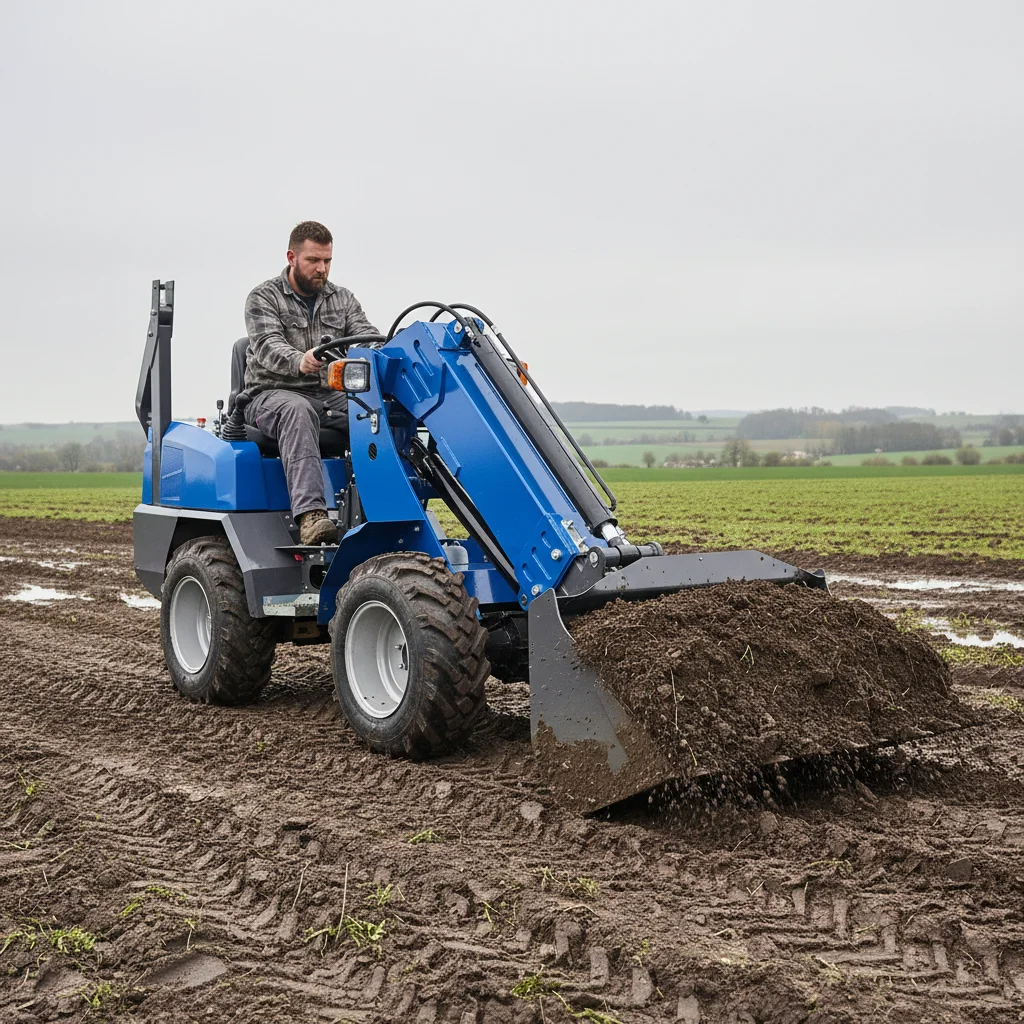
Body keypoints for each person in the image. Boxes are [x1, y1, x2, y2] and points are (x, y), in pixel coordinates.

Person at [243, 221, 379, 545]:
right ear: (292, 257)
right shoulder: (263, 297)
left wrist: (388, 352)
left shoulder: (342, 300)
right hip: (270, 395)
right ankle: (311, 517)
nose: (322, 269)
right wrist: (299, 360)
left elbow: (366, 338)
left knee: (375, 414)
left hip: (327, 394)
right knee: (298, 409)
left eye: (327, 261)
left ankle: (380, 509)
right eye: (313, 261)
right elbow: (267, 345)